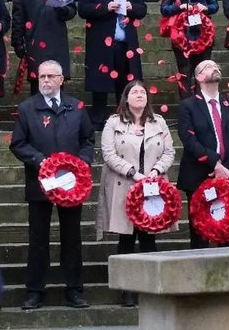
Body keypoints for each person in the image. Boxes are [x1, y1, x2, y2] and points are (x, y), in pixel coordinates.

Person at [9, 60, 95, 310]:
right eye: (41, 76)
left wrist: (82, 163)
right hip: (40, 183)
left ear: (61, 80)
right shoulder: (27, 108)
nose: (45, 80)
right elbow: (18, 143)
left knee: (72, 238)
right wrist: (40, 160)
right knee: (38, 239)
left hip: (71, 185)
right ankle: (35, 291)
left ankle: (74, 290)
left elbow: (88, 139)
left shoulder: (76, 107)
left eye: (50, 76)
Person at [96, 80, 176, 306]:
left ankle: (152, 287)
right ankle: (127, 289)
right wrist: (133, 173)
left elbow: (169, 152)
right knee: (127, 238)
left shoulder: (159, 122)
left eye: (142, 92)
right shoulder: (113, 123)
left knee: (149, 236)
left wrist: (155, 171)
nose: (139, 95)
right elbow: (108, 155)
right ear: (126, 98)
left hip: (153, 186)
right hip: (125, 185)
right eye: (134, 92)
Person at [176, 60, 229, 249]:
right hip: (199, 174)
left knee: (228, 229)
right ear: (199, 77)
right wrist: (215, 164)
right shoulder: (188, 106)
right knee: (200, 233)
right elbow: (188, 139)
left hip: (228, 175)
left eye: (217, 66)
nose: (215, 68)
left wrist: (227, 168)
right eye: (208, 67)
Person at [79, 0, 147, 129]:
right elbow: (83, 9)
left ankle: (125, 116)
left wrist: (131, 8)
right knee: (100, 83)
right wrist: (104, 7)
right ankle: (98, 120)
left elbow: (142, 9)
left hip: (125, 43)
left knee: (125, 82)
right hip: (101, 43)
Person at [10, 0, 78, 93]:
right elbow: (18, 15)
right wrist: (17, 42)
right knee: (38, 83)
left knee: (58, 82)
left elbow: (72, 10)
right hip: (35, 38)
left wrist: (64, 11)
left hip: (57, 40)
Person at [162, 0, 220, 98]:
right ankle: (187, 107)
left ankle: (202, 105)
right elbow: (164, 9)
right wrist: (180, 6)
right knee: (185, 70)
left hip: (202, 30)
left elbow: (215, 6)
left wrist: (205, 7)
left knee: (203, 70)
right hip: (182, 32)